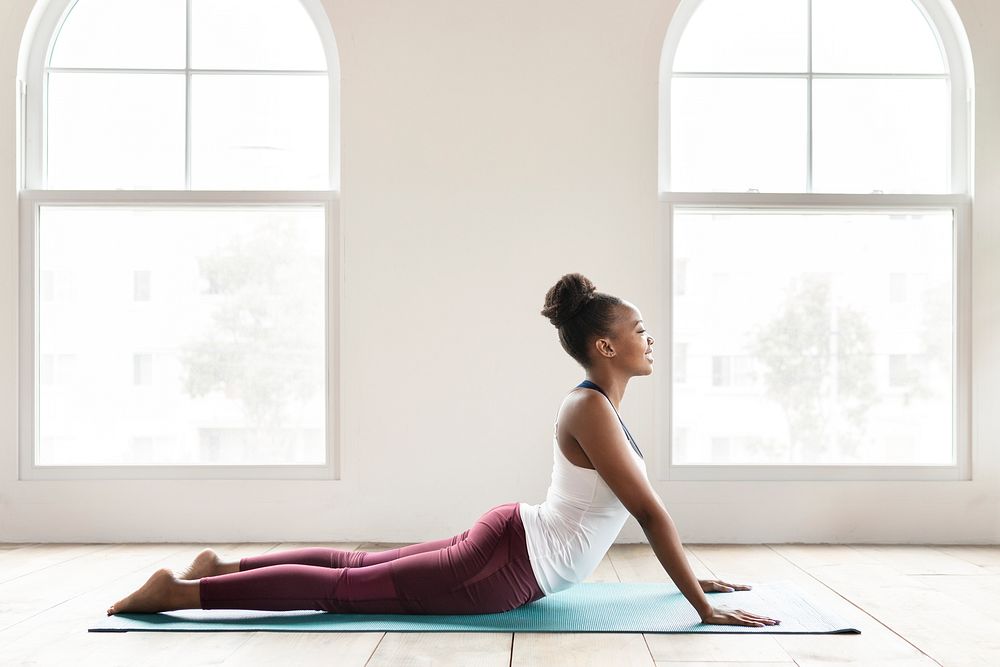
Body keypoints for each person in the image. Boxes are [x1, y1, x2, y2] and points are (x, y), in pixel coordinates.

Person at [107, 272, 779, 628]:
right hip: (506, 567)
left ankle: (222, 566)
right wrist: (700, 604)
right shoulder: (592, 408)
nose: (648, 338)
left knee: (354, 567)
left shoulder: (594, 405)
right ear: (606, 346)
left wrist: (691, 575)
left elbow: (635, 517)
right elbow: (652, 515)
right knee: (346, 589)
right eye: (638, 329)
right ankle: (185, 591)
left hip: (512, 543)